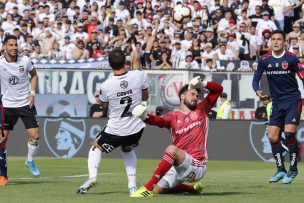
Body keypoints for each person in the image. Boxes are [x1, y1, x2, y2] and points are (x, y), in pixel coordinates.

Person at [130, 76, 223, 197]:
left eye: (197, 95)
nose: (195, 97)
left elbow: (218, 90)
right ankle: (192, 189)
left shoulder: (202, 109)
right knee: (158, 190)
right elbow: (158, 120)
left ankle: (147, 188)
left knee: (172, 149)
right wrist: (144, 116)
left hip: (197, 165)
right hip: (179, 165)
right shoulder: (173, 116)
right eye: (192, 94)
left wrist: (202, 84)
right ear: (182, 96)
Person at [76, 48, 149, 195]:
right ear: (125, 61)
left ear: (109, 64)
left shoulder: (107, 85)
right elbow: (145, 97)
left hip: (116, 128)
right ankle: (132, 186)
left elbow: (103, 105)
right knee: (127, 150)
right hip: (136, 127)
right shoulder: (138, 75)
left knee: (95, 147)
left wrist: (99, 99)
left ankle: (92, 177)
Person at [252, 30, 304, 184]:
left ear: (284, 42)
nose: (275, 42)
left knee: (288, 134)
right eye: (273, 39)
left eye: (279, 39)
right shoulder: (264, 60)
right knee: (272, 137)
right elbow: (256, 80)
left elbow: (302, 76)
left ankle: (293, 169)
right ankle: (280, 169)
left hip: (293, 100)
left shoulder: (292, 58)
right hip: (276, 102)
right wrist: (258, 91)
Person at [0, 35, 40, 186]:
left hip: (25, 103)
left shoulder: (25, 60)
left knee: (35, 136)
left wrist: (32, 93)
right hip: (7, 105)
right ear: (4, 47)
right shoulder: (0, 62)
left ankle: (29, 160)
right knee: (2, 141)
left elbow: (34, 75)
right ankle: (3, 176)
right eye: (10, 45)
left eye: (15, 45)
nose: (14, 48)